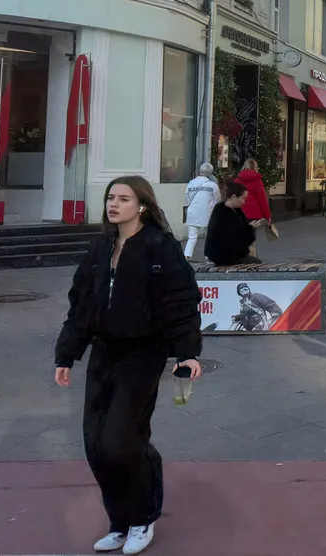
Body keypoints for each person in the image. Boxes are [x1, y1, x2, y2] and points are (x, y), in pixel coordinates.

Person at [54, 176, 201, 555]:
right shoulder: (100, 247)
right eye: (110, 197)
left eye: (123, 198)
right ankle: (119, 522)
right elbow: (81, 303)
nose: (113, 204)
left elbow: (180, 302)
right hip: (105, 352)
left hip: (143, 353)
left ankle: (142, 517)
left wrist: (186, 352)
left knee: (119, 442)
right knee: (95, 444)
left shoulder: (159, 247)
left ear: (142, 206)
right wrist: (67, 354)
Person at [204, 182, 263, 266]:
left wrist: (251, 226)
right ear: (234, 197)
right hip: (223, 254)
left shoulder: (236, 210)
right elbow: (232, 238)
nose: (244, 202)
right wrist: (249, 229)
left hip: (232, 252)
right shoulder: (223, 213)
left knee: (255, 262)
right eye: (242, 198)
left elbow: (240, 231)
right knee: (256, 263)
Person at [182, 163, 220, 260]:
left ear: (200, 171)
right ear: (210, 173)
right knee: (209, 236)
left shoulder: (191, 183)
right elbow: (217, 200)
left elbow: (187, 197)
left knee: (192, 237)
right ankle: (208, 256)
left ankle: (187, 255)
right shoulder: (213, 185)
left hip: (193, 213)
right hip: (208, 214)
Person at [235, 158, 272, 230]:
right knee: (251, 234)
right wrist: (267, 217)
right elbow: (262, 200)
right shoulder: (257, 181)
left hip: (240, 212)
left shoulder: (237, 180)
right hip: (253, 214)